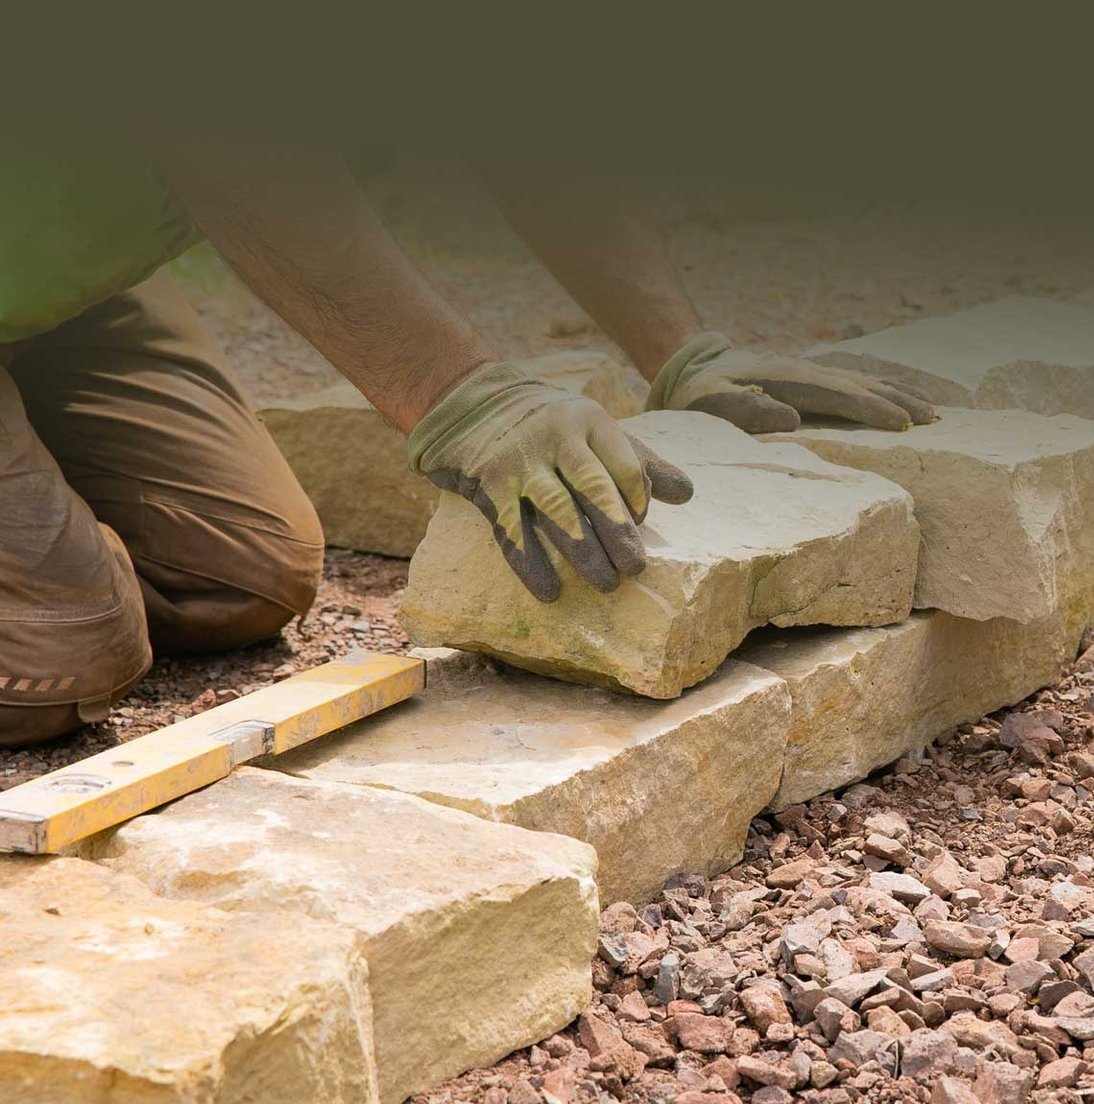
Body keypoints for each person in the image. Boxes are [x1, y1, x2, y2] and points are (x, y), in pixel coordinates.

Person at [0, 134, 934, 748]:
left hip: (62, 269)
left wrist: (683, 351)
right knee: (63, 653)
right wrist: (460, 394)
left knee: (242, 576)